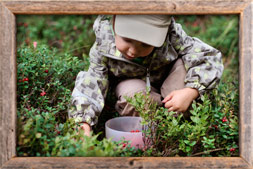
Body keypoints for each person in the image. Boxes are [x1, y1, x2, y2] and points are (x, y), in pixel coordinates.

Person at [68, 15, 224, 136]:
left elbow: (209, 57)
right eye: (127, 39)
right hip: (134, 87)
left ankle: (180, 123)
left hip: (172, 86)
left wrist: (191, 91)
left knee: (188, 66)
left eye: (145, 44)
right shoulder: (103, 47)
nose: (134, 51)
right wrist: (83, 121)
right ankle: (155, 129)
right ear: (114, 23)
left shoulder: (171, 36)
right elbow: (92, 82)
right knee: (136, 97)